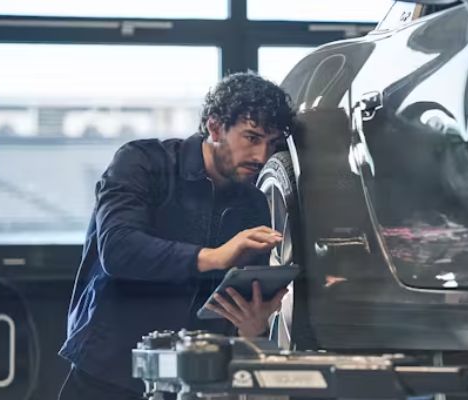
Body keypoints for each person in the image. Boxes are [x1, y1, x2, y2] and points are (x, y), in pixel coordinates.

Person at [57, 72, 295, 399]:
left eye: (272, 143)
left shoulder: (253, 202)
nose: (262, 157)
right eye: (252, 138)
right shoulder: (142, 162)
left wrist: (253, 328)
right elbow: (118, 250)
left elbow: (238, 308)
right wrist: (214, 257)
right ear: (214, 127)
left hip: (196, 381)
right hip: (109, 370)